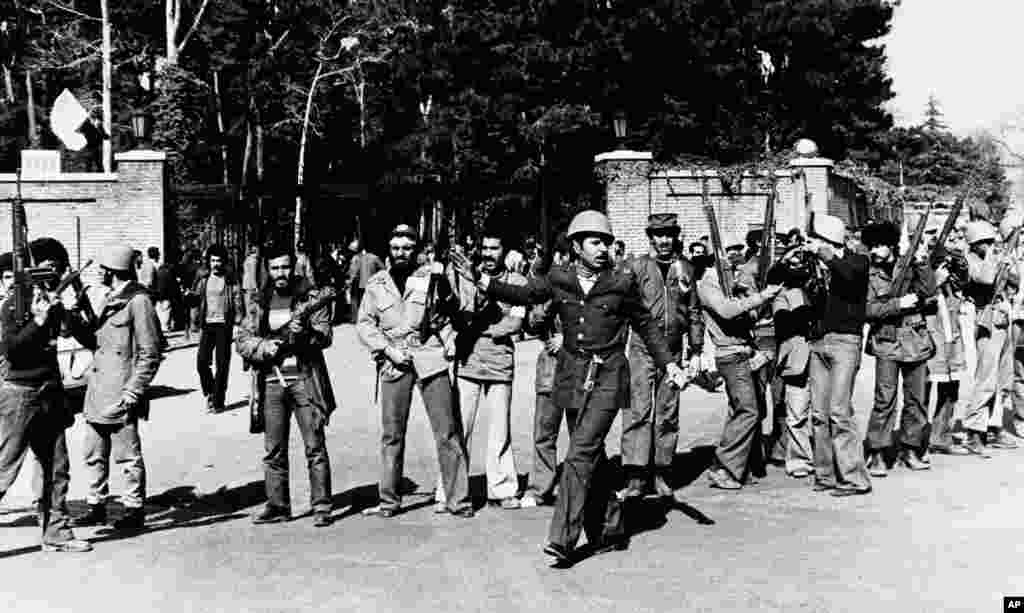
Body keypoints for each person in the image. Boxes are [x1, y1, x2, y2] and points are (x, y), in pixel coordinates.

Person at [452, 210, 690, 568]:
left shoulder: (621, 281)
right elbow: (525, 292)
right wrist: (481, 280)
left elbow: (646, 324)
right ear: (576, 246)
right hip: (572, 375)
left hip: (609, 376)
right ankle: (611, 526)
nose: (603, 248)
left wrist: (670, 364)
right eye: (595, 242)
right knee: (591, 456)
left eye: (606, 242)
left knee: (579, 451)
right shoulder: (560, 278)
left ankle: (562, 538)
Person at [356, 224, 474, 519]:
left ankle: (458, 499)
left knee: (447, 431)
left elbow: (452, 308)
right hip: (394, 360)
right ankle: (388, 501)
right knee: (392, 435)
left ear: (416, 250)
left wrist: (444, 285)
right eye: (396, 248)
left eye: (407, 248)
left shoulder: (429, 277)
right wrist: (386, 349)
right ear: (389, 250)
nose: (401, 253)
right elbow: (365, 323)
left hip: (429, 355)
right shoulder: (377, 283)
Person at [0, 239, 92, 551]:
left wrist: (69, 306)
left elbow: (75, 332)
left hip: (49, 392)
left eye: (57, 269)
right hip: (20, 394)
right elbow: (13, 349)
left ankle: (57, 532)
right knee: (4, 467)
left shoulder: (51, 299)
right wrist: (38, 320)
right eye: (49, 268)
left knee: (57, 467)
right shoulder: (16, 301)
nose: (54, 273)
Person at [236, 245, 336, 527]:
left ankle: (322, 505)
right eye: (275, 267)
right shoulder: (259, 300)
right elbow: (242, 340)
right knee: (273, 449)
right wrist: (263, 347)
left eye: (285, 267)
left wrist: (304, 333)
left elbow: (325, 336)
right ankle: (278, 505)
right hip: (271, 384)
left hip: (304, 380)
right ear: (267, 270)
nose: (281, 273)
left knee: (315, 445)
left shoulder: (310, 296)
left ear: (294, 267)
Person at [72, 244, 162, 532]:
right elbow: (97, 342)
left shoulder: (138, 302)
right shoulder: (110, 299)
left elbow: (150, 352)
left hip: (121, 392)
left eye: (104, 270)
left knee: (127, 456)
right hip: (98, 389)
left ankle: (134, 509)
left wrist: (133, 392)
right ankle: (96, 505)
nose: (100, 274)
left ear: (114, 272)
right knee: (93, 452)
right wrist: (72, 319)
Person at [435, 226, 526, 510]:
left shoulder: (517, 281)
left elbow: (514, 323)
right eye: (484, 248)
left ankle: (502, 488)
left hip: (500, 363)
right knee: (460, 428)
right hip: (468, 362)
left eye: (494, 249)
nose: (488, 254)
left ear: (504, 251)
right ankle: (450, 490)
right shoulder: (464, 276)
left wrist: (478, 330)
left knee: (500, 430)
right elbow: (457, 315)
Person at [620, 213, 703, 499]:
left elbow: (693, 312)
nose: (664, 239)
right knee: (638, 410)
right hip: (642, 348)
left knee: (667, 413)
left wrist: (696, 350)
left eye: (669, 234)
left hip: (673, 349)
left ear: (676, 236)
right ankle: (635, 476)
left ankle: (661, 472)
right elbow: (624, 308)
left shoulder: (685, 269)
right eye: (659, 234)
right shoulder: (637, 267)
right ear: (650, 237)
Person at [697, 232, 783, 490]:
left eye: (737, 249)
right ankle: (723, 467)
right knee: (748, 410)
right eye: (728, 250)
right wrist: (760, 297)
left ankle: (737, 467)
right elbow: (726, 310)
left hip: (744, 351)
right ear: (716, 255)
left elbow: (749, 317)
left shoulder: (732, 283)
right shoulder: (708, 283)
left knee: (740, 409)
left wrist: (753, 299)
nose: (734, 255)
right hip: (730, 355)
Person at [804, 214, 872, 496]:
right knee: (819, 413)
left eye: (818, 240)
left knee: (839, 411)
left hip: (845, 342)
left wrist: (825, 256)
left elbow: (848, 275)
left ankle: (854, 478)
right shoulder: (817, 266)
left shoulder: (857, 261)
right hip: (818, 342)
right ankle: (825, 475)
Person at [862, 220, 937, 475]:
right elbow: (867, 310)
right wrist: (898, 304)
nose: (875, 251)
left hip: (915, 339)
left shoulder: (911, 264)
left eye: (880, 245)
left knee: (916, 399)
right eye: (872, 246)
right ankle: (878, 452)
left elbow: (929, 291)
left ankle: (910, 448)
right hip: (887, 340)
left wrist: (922, 262)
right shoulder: (869, 272)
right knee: (885, 399)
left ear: (892, 245)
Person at [520, 233, 570, 508]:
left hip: (580, 366)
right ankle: (541, 487)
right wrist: (543, 309)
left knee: (582, 433)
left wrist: (569, 337)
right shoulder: (543, 283)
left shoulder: (589, 284)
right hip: (550, 366)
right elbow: (532, 325)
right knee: (544, 430)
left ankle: (580, 486)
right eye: (561, 257)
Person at [961, 219, 1019, 454]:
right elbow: (984, 279)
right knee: (986, 378)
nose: (988, 245)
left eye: (990, 241)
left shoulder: (996, 257)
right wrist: (993, 260)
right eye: (983, 242)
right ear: (974, 244)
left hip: (1003, 316)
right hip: (986, 319)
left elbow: (1015, 281)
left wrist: (1008, 265)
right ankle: (974, 431)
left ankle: (993, 426)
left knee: (1004, 379)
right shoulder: (970, 262)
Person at [768, 245, 819, 478]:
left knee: (823, 412)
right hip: (798, 358)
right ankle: (799, 460)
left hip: (821, 356)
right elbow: (783, 323)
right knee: (797, 413)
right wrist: (809, 312)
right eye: (794, 264)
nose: (800, 268)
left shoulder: (821, 289)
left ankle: (824, 457)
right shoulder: (783, 293)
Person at [923, 222, 970, 456]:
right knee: (923, 386)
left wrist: (958, 263)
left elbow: (963, 283)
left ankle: (941, 435)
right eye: (929, 234)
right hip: (929, 332)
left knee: (951, 385)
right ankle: (918, 440)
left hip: (949, 328)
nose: (934, 238)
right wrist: (933, 280)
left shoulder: (945, 258)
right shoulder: (913, 262)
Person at [187, 244, 244, 413]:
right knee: (202, 362)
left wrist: (239, 322)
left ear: (223, 261)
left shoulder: (230, 279)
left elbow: (237, 299)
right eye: (213, 260)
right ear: (208, 261)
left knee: (222, 363)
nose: (216, 264)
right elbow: (196, 301)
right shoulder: (203, 278)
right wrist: (194, 322)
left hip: (224, 325)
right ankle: (210, 392)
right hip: (207, 324)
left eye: (219, 260)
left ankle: (218, 401)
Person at [347, 239, 384, 324]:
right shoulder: (374, 257)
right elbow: (383, 269)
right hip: (372, 283)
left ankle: (361, 319)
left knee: (361, 302)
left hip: (361, 284)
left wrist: (350, 281)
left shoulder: (357, 258)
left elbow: (354, 271)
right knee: (372, 302)